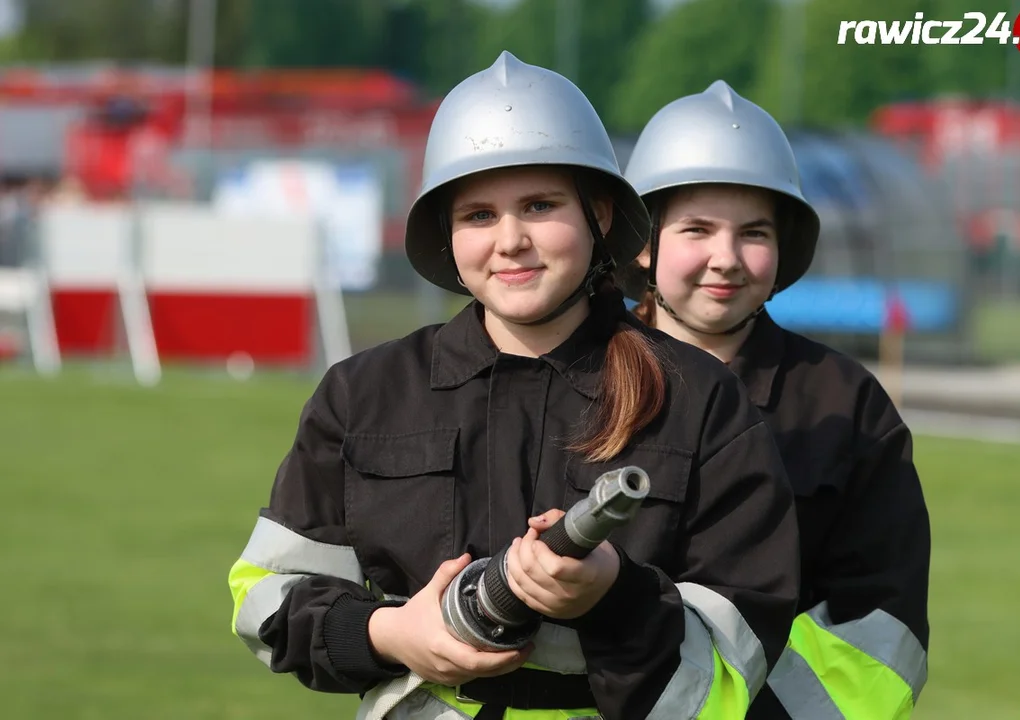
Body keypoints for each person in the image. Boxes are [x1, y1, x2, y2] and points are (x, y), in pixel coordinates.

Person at [227, 53, 801, 720]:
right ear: (445, 233)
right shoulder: (363, 395)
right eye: (478, 215)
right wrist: (391, 634)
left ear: (602, 216)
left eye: (540, 205)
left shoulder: (701, 399)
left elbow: (742, 648)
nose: (511, 240)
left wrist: (611, 598)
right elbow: (269, 598)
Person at [619, 80, 931, 719]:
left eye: (754, 233)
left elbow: (881, 627)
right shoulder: (574, 378)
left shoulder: (846, 404)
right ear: (645, 243)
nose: (726, 258)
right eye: (697, 229)